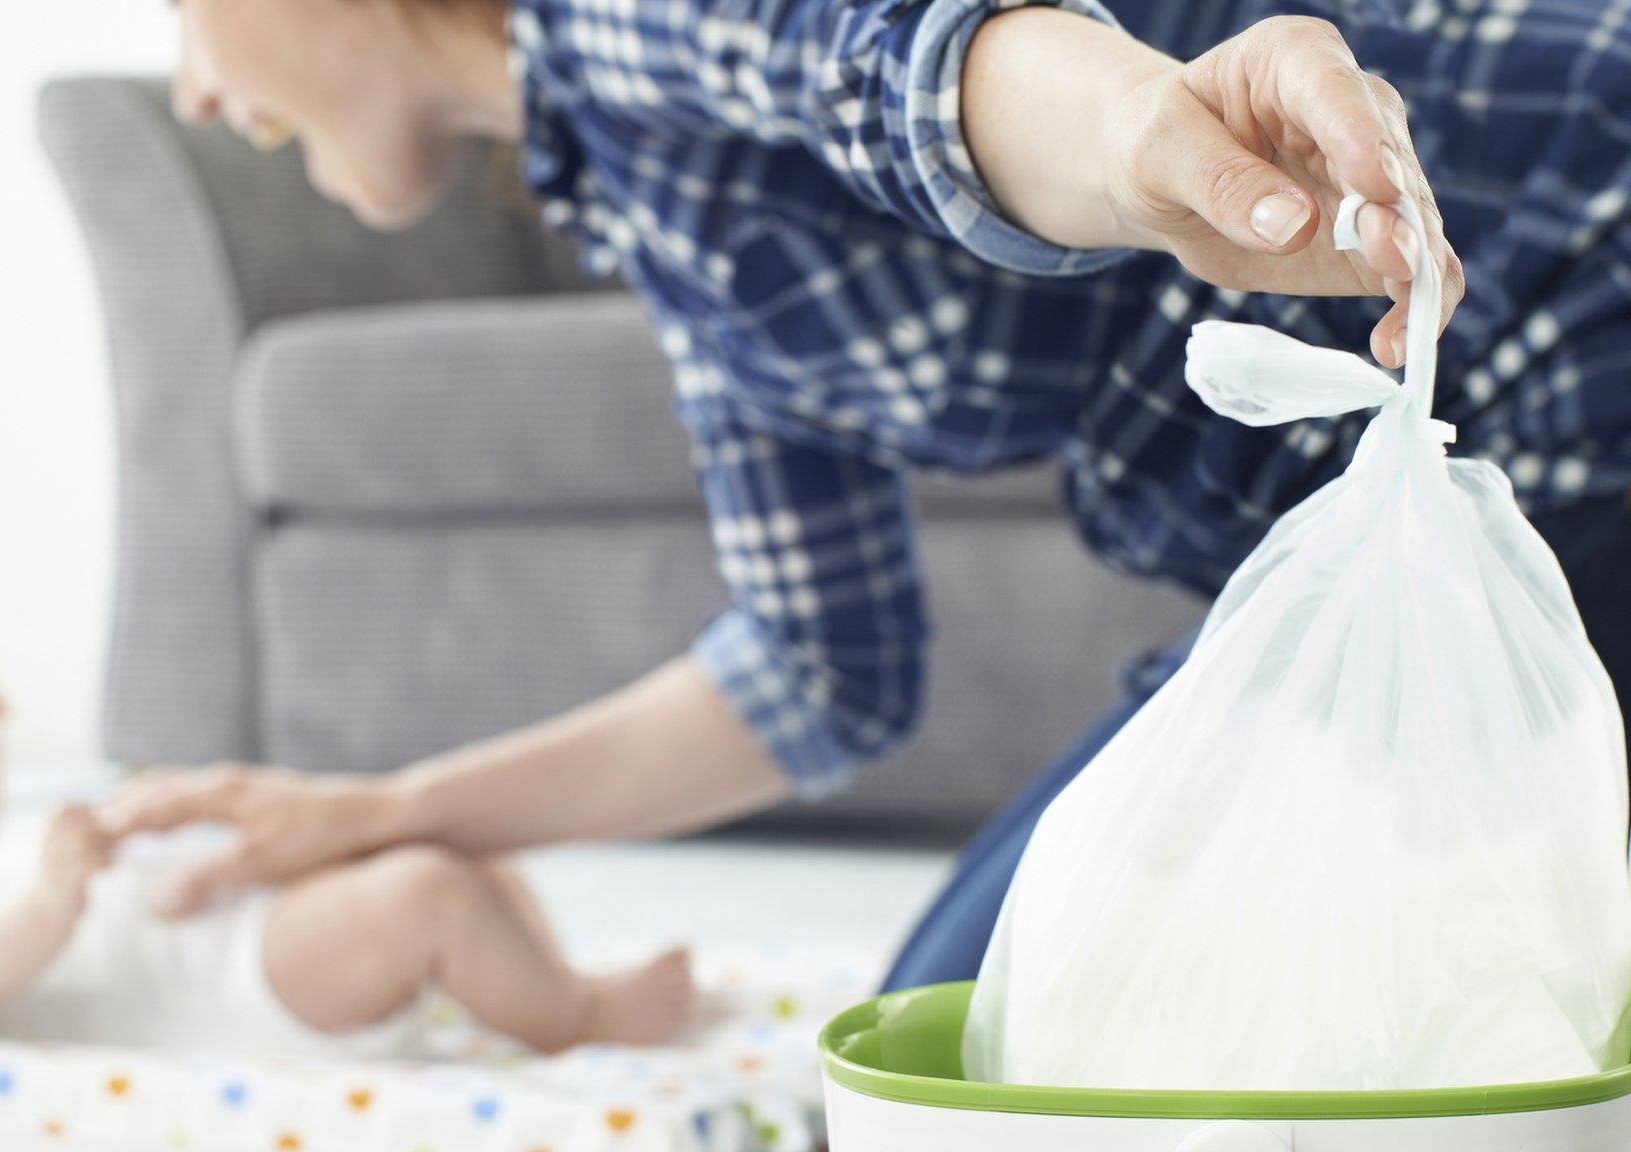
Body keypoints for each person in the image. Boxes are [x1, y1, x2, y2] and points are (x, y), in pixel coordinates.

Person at [107, 0, 1631, 989]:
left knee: (1118, 1006)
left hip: (1584, 308)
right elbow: (821, 668)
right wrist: (383, 812)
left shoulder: (617, 21)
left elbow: (909, 62)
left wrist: (1135, 141)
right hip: (1458, 469)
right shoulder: (654, 209)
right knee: (952, 1012)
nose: (188, 81)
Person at [0, 673, 694, 1054]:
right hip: (236, 991)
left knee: (436, 853)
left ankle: (540, 975)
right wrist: (54, 896)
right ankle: (576, 1020)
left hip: (225, 922)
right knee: (425, 897)